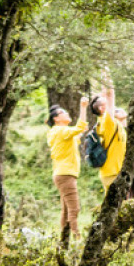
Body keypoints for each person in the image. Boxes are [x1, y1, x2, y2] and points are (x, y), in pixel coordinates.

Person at [46, 97, 88, 244]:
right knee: (74, 209)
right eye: (63, 112)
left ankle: (63, 244)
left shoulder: (58, 132)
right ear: (57, 118)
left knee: (66, 211)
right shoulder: (60, 130)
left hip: (63, 173)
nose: (67, 113)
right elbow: (79, 128)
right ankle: (78, 240)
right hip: (65, 174)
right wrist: (83, 107)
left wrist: (81, 131)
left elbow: (77, 135)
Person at [89, 73, 128, 194]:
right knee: (119, 209)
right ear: (102, 109)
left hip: (113, 172)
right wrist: (105, 73)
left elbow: (106, 95)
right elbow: (110, 95)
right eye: (104, 101)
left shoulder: (107, 122)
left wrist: (102, 83)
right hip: (113, 174)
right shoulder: (107, 122)